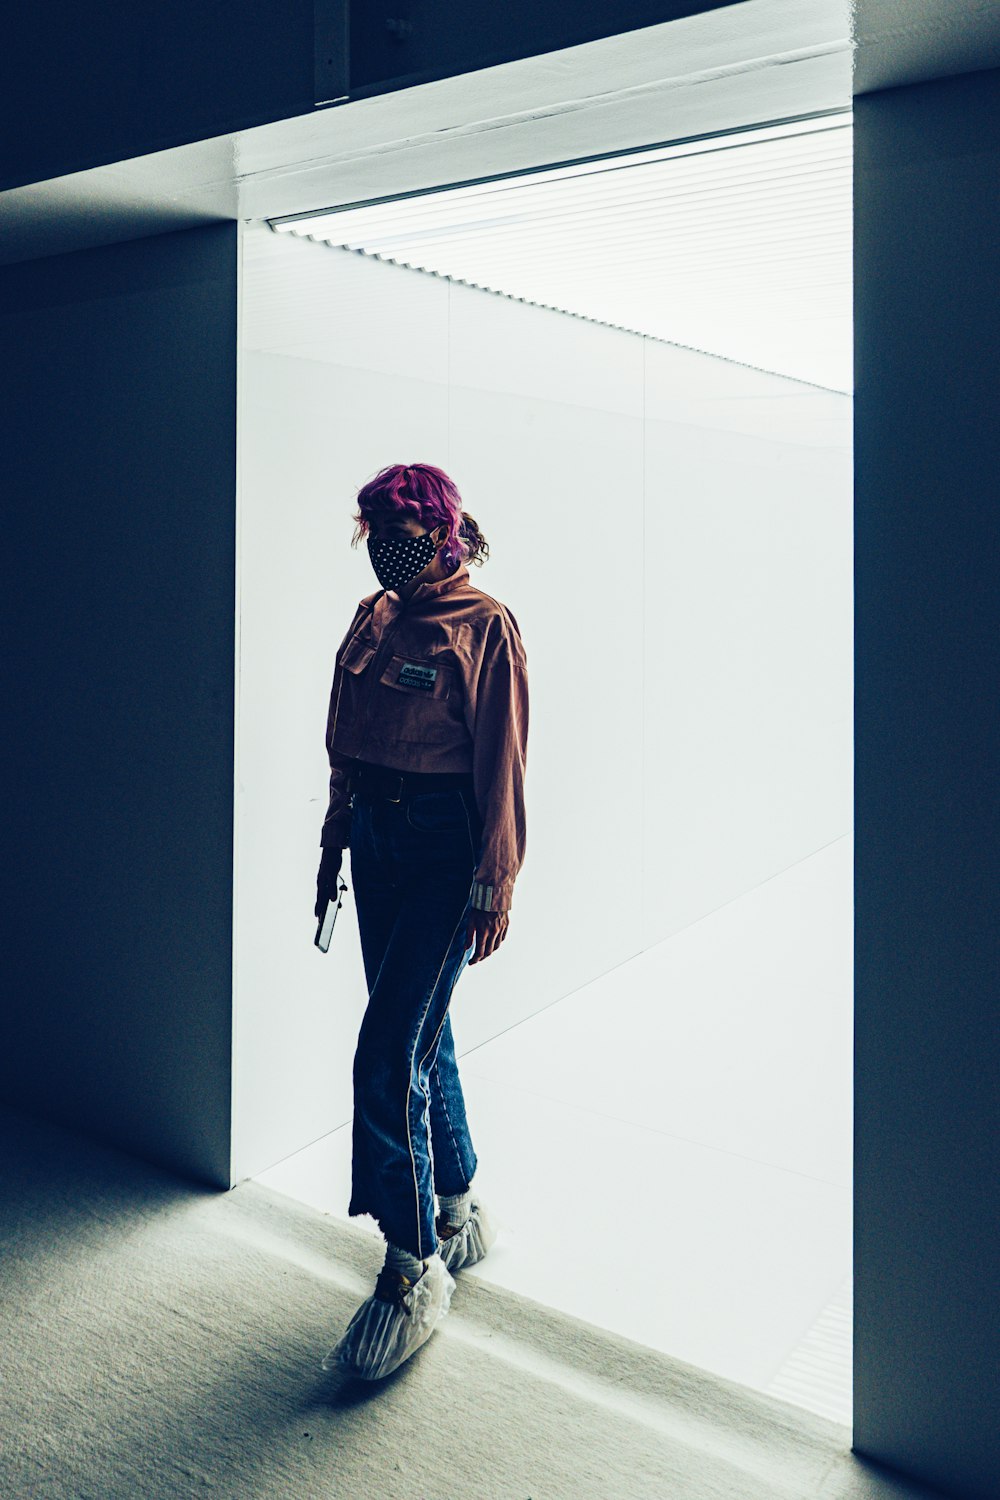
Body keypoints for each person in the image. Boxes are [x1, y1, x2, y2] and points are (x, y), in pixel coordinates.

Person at [315, 462, 529, 1380]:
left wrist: (496, 881)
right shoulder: (374, 618)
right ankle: (459, 1200)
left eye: (402, 530)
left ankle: (412, 1268)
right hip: (376, 833)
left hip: (446, 849)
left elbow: (503, 766)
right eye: (375, 531)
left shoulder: (484, 627)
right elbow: (345, 734)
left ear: (442, 530)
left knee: (385, 1049)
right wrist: (335, 836)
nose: (386, 549)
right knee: (417, 1036)